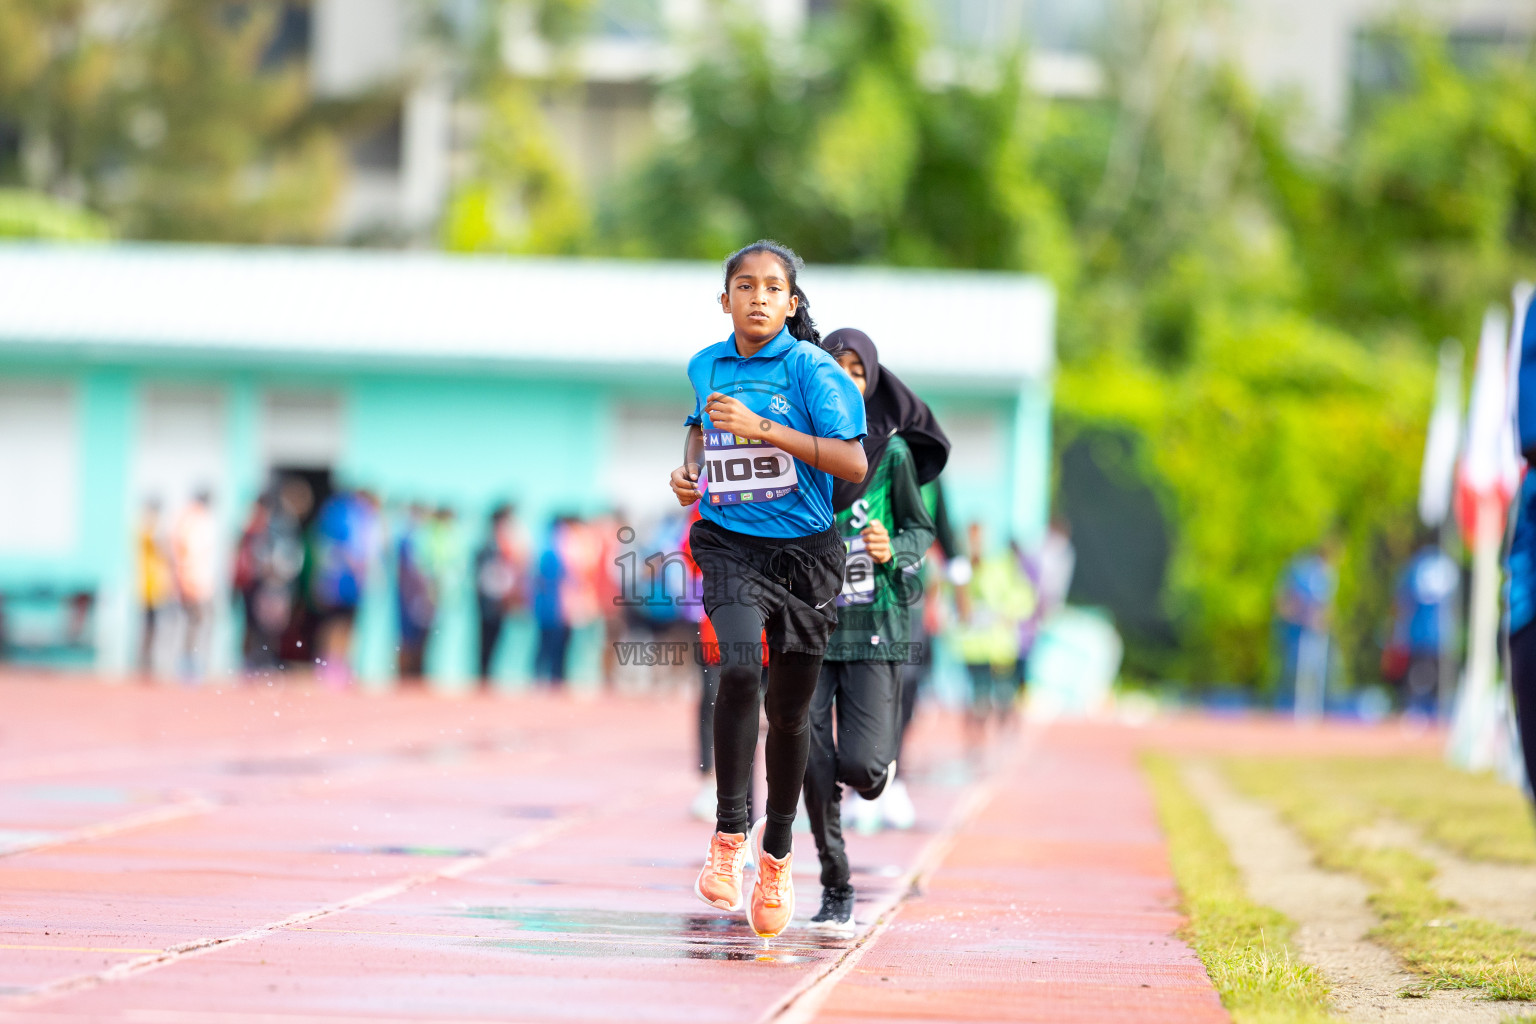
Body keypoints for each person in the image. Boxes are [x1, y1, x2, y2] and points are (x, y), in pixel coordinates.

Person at [670, 240, 867, 941]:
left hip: (806, 556)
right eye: (744, 286)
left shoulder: (814, 370)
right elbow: (701, 434)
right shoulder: (705, 363)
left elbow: (852, 459)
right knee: (737, 666)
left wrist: (767, 431)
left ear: (791, 302)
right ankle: (729, 837)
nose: (757, 297)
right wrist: (690, 472)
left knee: (791, 716)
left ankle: (777, 854)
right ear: (724, 299)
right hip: (729, 545)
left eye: (772, 287)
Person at [802, 327, 943, 935]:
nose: (847, 378)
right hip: (806, 626)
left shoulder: (892, 456)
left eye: (858, 369)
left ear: (873, 381)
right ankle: (836, 882)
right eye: (836, 367)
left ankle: (872, 773)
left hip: (875, 625)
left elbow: (921, 530)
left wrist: (893, 549)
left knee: (859, 768)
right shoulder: (797, 447)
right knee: (807, 758)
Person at [954, 520, 1037, 742]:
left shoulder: (1002, 565)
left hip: (999, 645)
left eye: (979, 539)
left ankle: (1005, 735)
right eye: (970, 539)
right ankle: (976, 743)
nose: (975, 544)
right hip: (972, 645)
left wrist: (1008, 613)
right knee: (978, 697)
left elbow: (1024, 597)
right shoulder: (960, 568)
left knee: (1004, 695)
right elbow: (949, 601)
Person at [311, 488, 379, 688]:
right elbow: (352, 552)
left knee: (343, 625)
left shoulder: (348, 516)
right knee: (338, 625)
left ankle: (336, 666)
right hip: (340, 583)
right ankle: (330, 667)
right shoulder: (349, 517)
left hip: (343, 583)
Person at [1385, 539, 1458, 716]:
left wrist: (1395, 630)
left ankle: (1416, 710)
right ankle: (1434, 712)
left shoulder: (1414, 566)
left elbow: (1402, 601)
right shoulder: (1447, 565)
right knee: (1437, 677)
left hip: (1418, 633)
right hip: (1441, 633)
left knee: (1417, 676)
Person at [1274, 540, 1339, 712]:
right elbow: (1294, 599)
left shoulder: (1325, 573)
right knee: (1299, 671)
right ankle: (1295, 707)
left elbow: (1325, 605)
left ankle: (1312, 708)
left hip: (1314, 630)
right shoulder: (1309, 572)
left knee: (1315, 671)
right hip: (1301, 629)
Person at [474, 503, 529, 687]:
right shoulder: (489, 543)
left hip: (500, 598)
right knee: (486, 640)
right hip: (489, 599)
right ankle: (484, 677)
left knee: (495, 638)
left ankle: (488, 676)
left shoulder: (504, 543)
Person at [172, 490, 217, 682]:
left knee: (201, 623)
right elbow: (183, 554)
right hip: (192, 582)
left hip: (201, 582)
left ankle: (195, 663)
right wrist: (182, 580)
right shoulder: (191, 521)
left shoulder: (197, 520)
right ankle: (189, 665)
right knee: (195, 624)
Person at [395, 503, 436, 682]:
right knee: (408, 640)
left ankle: (417, 676)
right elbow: (411, 571)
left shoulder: (424, 538)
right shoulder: (409, 539)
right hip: (410, 596)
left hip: (418, 595)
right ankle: (405, 678)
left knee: (421, 639)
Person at [137, 499, 173, 679]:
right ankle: (146, 664)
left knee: (150, 627)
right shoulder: (150, 527)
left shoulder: (144, 526)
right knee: (151, 627)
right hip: (152, 586)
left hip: (150, 585)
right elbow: (164, 549)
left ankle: (147, 663)